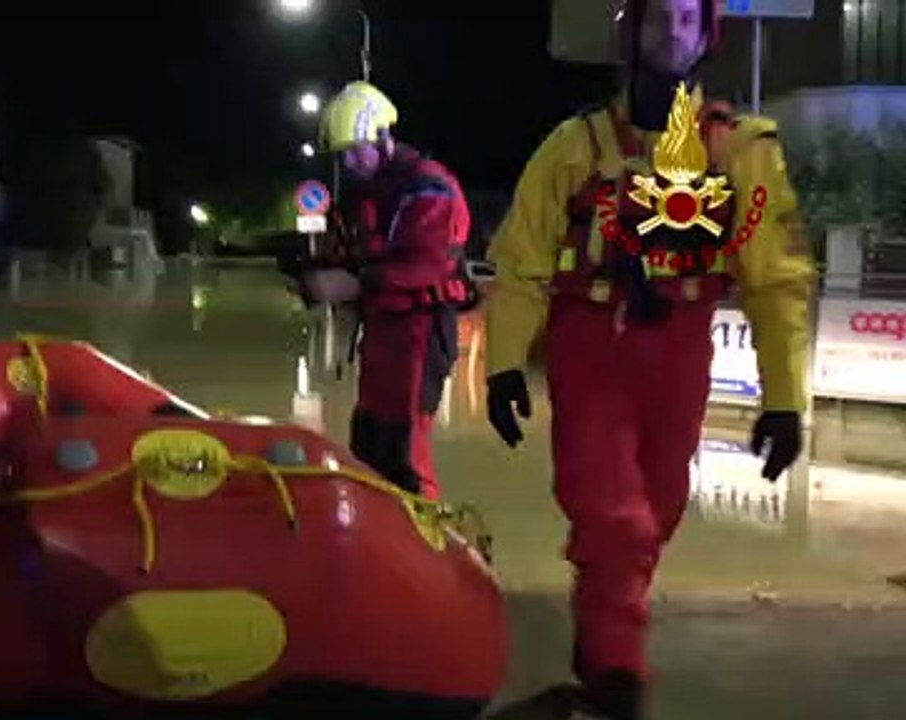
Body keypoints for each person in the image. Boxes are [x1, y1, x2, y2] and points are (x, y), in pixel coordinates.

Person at [484, 0, 813, 717]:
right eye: (657, 16)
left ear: (705, 37)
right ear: (628, 32)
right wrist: (505, 359)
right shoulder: (572, 147)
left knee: (654, 516)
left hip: (681, 351)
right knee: (615, 519)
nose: (671, 31)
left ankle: (601, 640)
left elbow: (777, 280)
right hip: (589, 346)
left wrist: (784, 397)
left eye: (687, 18)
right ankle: (616, 677)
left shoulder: (742, 150)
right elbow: (522, 260)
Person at [303, 81, 474, 501]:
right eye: (341, 154)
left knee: (406, 455)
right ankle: (372, 542)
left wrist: (353, 283)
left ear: (382, 136)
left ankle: (427, 553)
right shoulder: (370, 191)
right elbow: (356, 253)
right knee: (369, 447)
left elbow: (424, 265)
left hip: (420, 331)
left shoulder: (429, 187)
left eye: (354, 149)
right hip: (382, 334)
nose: (348, 161)